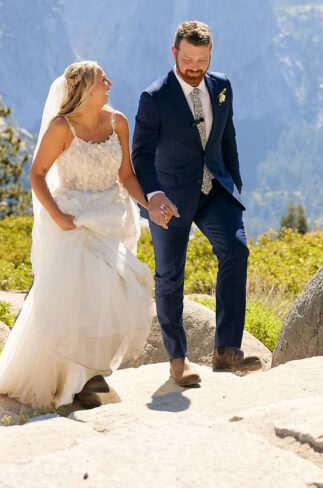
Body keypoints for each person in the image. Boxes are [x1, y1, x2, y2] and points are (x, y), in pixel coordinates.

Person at [0, 61, 153, 410]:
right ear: (85, 87)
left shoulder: (118, 122)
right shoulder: (61, 128)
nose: (110, 82)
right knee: (77, 298)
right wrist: (58, 217)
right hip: (74, 222)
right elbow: (37, 174)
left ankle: (88, 375)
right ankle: (80, 381)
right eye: (103, 79)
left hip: (110, 220)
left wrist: (149, 206)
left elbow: (126, 176)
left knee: (116, 292)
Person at [132, 21, 262, 387]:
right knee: (170, 276)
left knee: (236, 251)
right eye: (187, 59)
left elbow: (227, 135)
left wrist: (234, 180)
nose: (194, 67)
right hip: (169, 200)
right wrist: (154, 195)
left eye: (201, 60)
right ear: (174, 53)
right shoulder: (154, 97)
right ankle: (178, 360)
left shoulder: (221, 86)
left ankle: (226, 351)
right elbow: (140, 155)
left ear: (210, 56)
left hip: (216, 191)